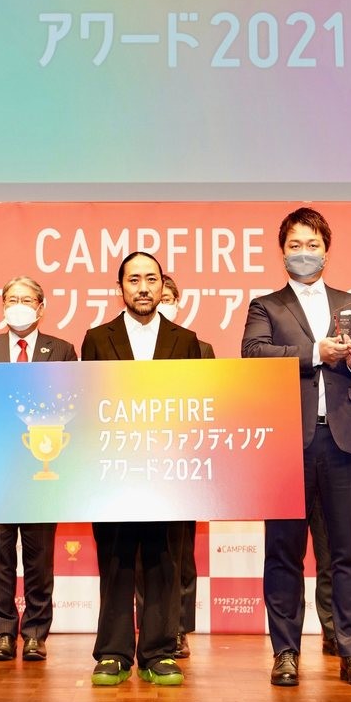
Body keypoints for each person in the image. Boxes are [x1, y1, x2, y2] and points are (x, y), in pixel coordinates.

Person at [242, 207, 351, 688]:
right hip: (287, 443)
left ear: (326, 251)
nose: (304, 253)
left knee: (348, 553)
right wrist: (314, 353)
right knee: (283, 552)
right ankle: (285, 652)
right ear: (282, 252)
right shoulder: (266, 306)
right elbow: (253, 354)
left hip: (344, 443)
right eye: (295, 246)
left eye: (312, 245)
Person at [82, 252, 201, 687]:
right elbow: (87, 403)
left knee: (164, 561)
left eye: (151, 279)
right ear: (121, 288)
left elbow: (196, 405)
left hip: (169, 472)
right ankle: (112, 653)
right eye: (134, 280)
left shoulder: (185, 340)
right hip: (112, 470)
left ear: (162, 285)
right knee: (115, 560)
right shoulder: (97, 338)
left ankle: (159, 652)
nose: (144, 288)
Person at [0, 276, 77, 663]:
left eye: (26, 299)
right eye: (11, 299)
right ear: (2, 307)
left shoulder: (62, 351)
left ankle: (35, 632)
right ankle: (3, 631)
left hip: (42, 469)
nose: (18, 305)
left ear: (41, 307)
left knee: (39, 556)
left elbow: (71, 401)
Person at [146, 274, 213, 660]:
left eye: (169, 296)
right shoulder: (129, 345)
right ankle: (151, 626)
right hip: (137, 463)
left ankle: (179, 630)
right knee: (143, 553)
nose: (163, 301)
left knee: (182, 552)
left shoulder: (198, 347)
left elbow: (209, 403)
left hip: (183, 464)